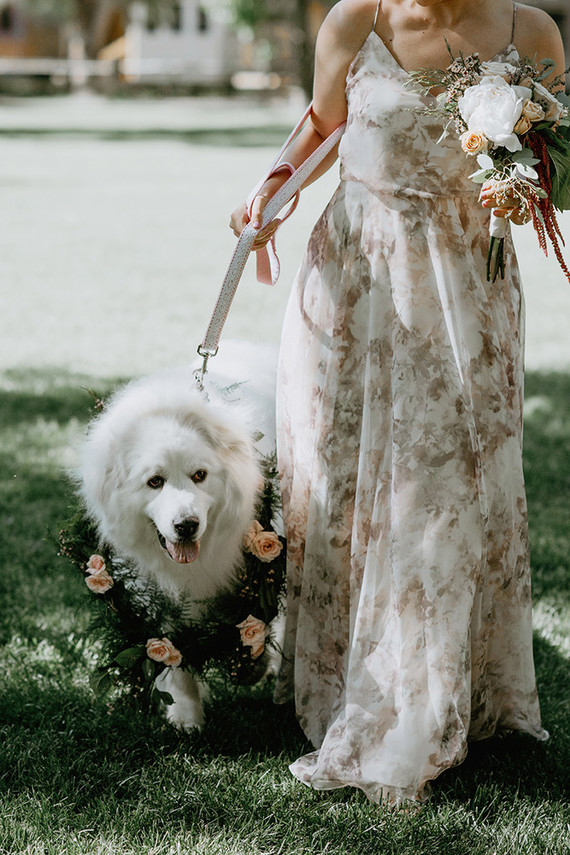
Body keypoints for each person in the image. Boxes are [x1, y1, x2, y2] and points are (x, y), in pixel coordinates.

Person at [230, 0, 564, 806]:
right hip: (356, 279)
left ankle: (437, 695)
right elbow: (322, 124)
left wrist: (529, 174)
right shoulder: (353, 21)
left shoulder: (531, 33)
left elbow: (565, 166)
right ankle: (348, 677)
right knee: (342, 478)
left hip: (466, 289)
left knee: (447, 487)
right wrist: (266, 190)